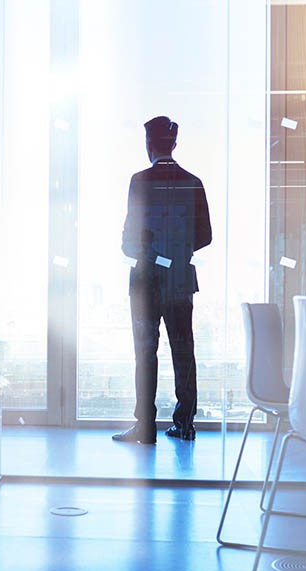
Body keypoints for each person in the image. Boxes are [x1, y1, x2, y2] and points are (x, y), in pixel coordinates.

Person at [113, 116, 212, 444]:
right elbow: (206, 236)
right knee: (183, 352)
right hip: (181, 281)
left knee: (146, 353)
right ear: (173, 144)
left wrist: (150, 251)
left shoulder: (139, 182)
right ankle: (185, 424)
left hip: (146, 281)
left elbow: (129, 242)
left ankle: (145, 428)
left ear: (149, 144)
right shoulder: (193, 182)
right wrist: (178, 252)